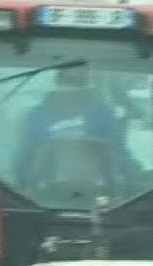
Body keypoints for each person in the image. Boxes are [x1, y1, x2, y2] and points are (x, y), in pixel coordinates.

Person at [13, 65, 143, 194]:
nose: (73, 90)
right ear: (58, 83)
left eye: (79, 81)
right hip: (44, 194)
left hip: (101, 195)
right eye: (68, 79)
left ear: (87, 84)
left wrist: (134, 180)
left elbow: (119, 152)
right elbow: (25, 159)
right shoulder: (37, 116)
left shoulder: (103, 115)